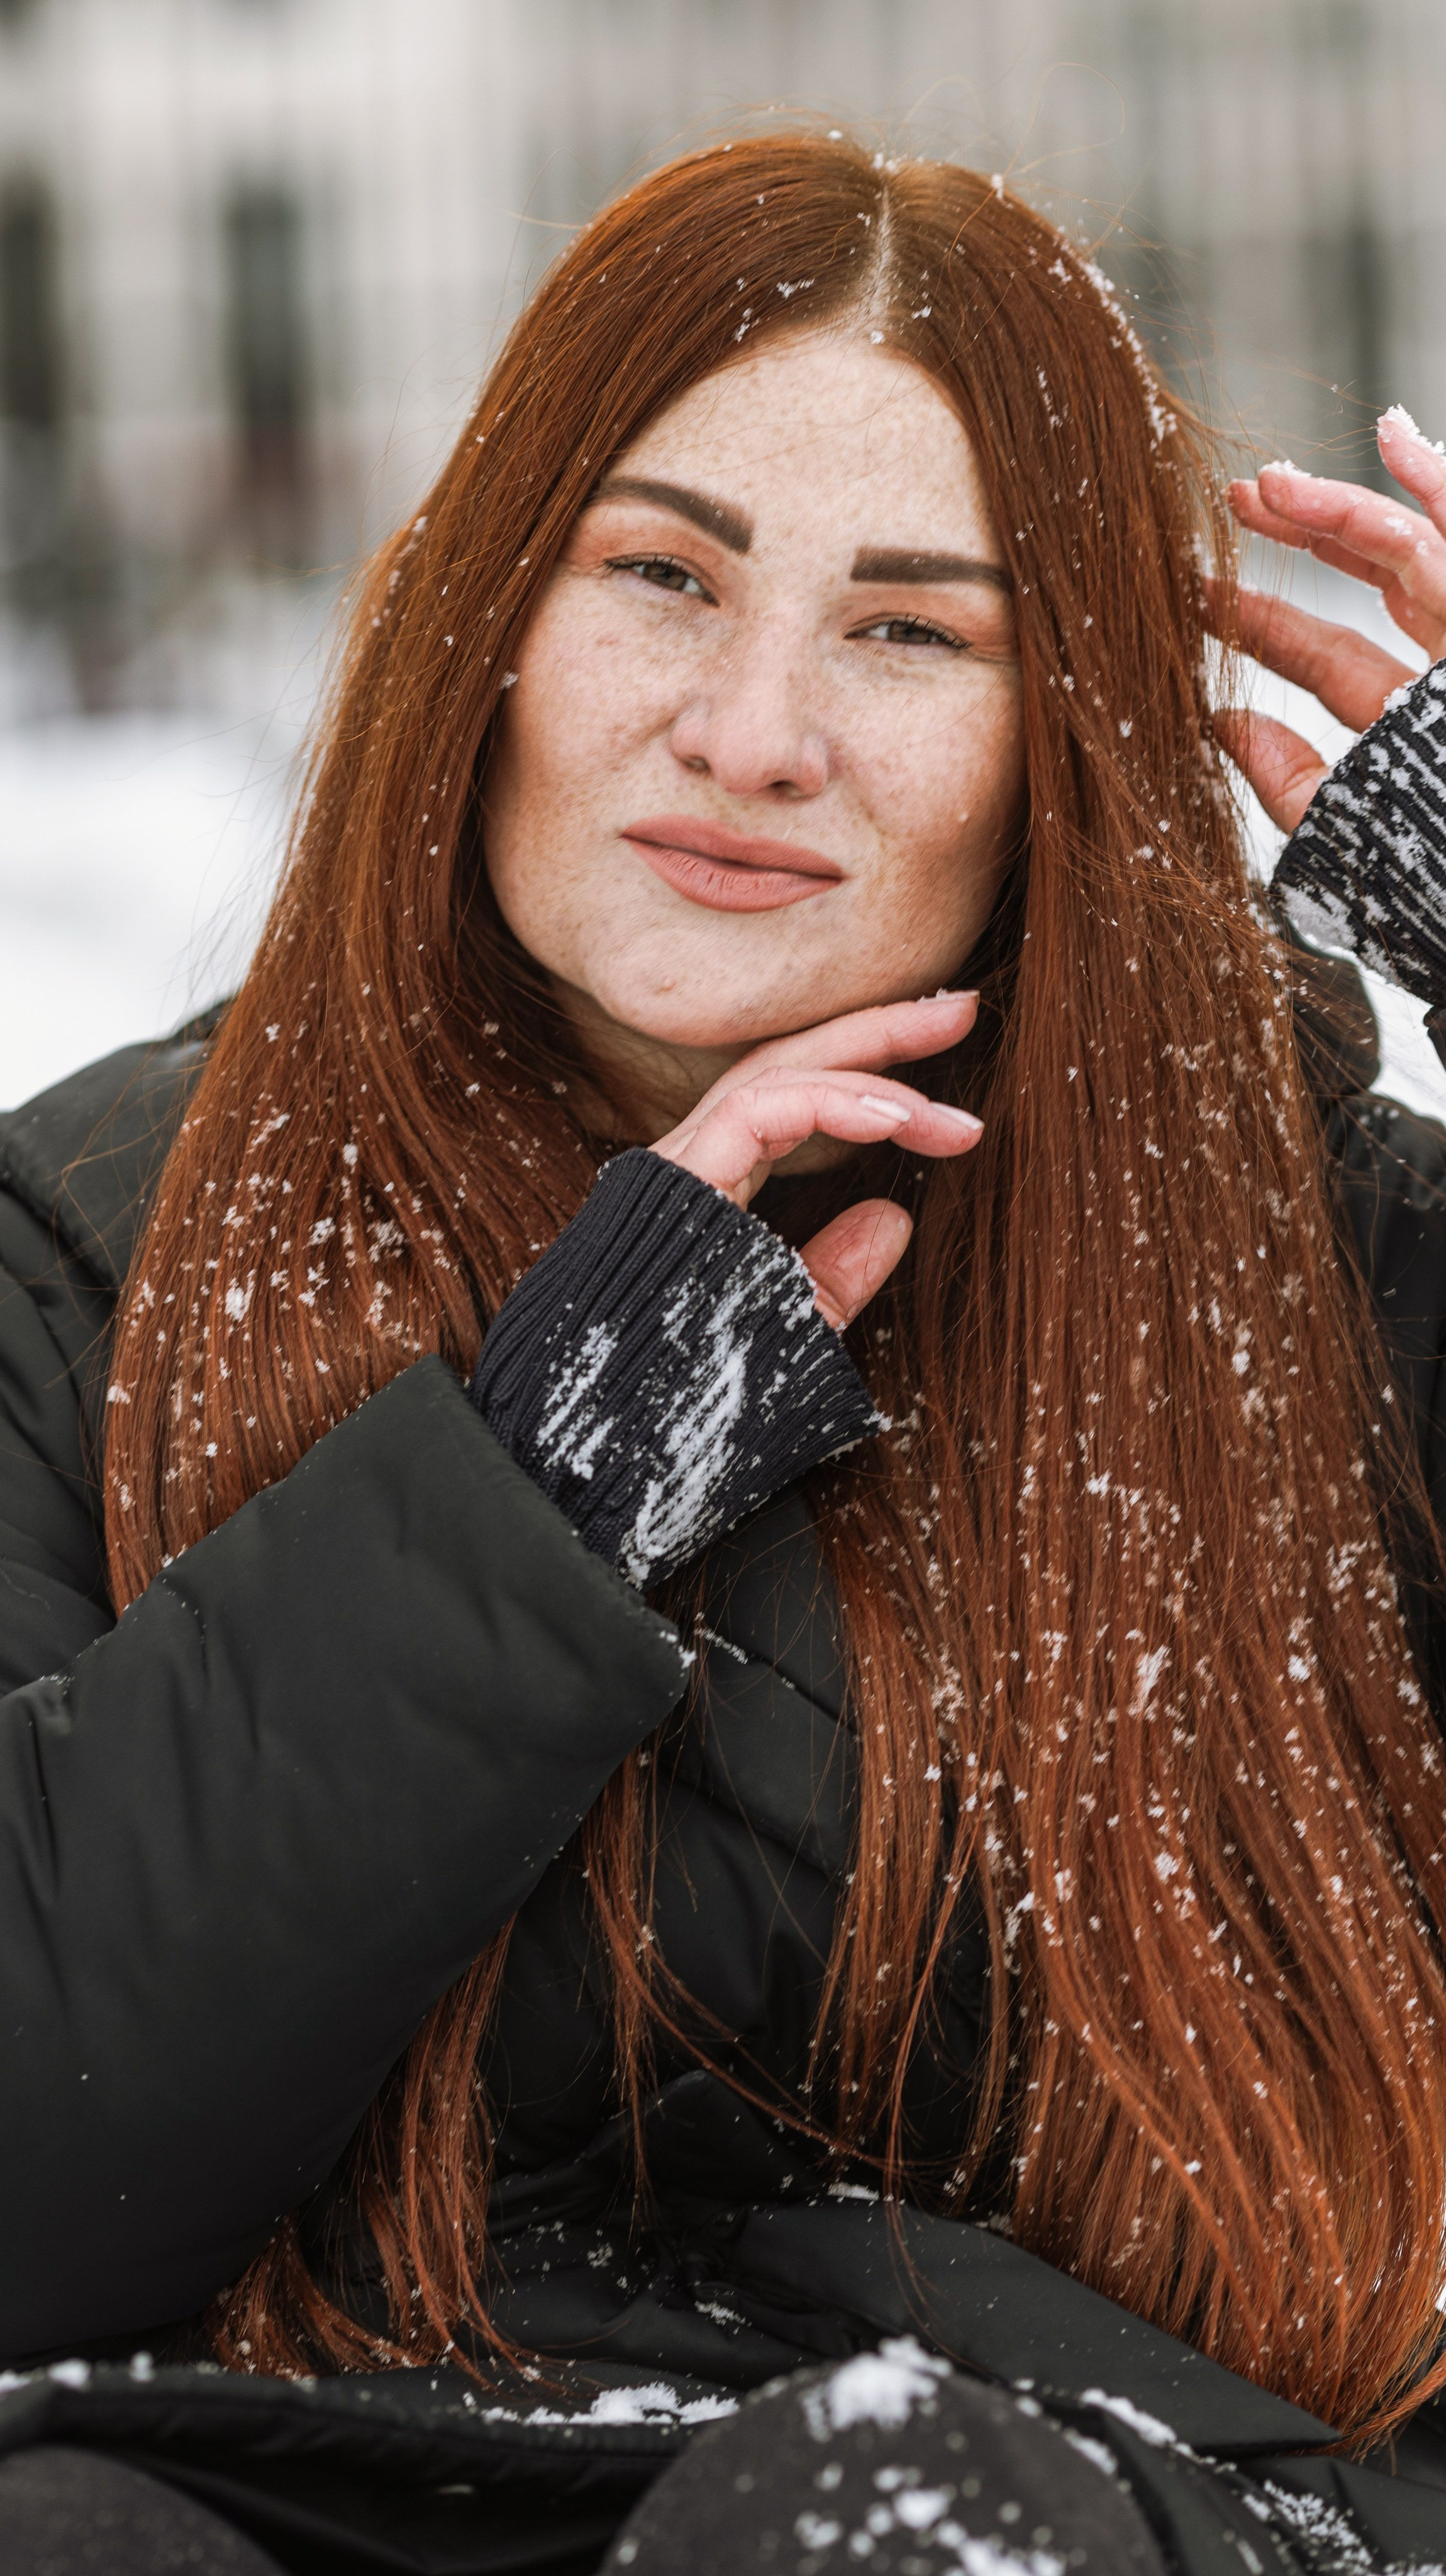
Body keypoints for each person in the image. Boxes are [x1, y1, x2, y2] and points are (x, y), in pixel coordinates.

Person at [3, 128, 1446, 2576]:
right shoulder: (95, 1254)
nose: (752, 732)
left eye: (911, 629)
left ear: (1058, 734)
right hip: (323, 2470)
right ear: (487, 622)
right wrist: (541, 1478)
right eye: (659, 575)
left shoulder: (1324, 1280)